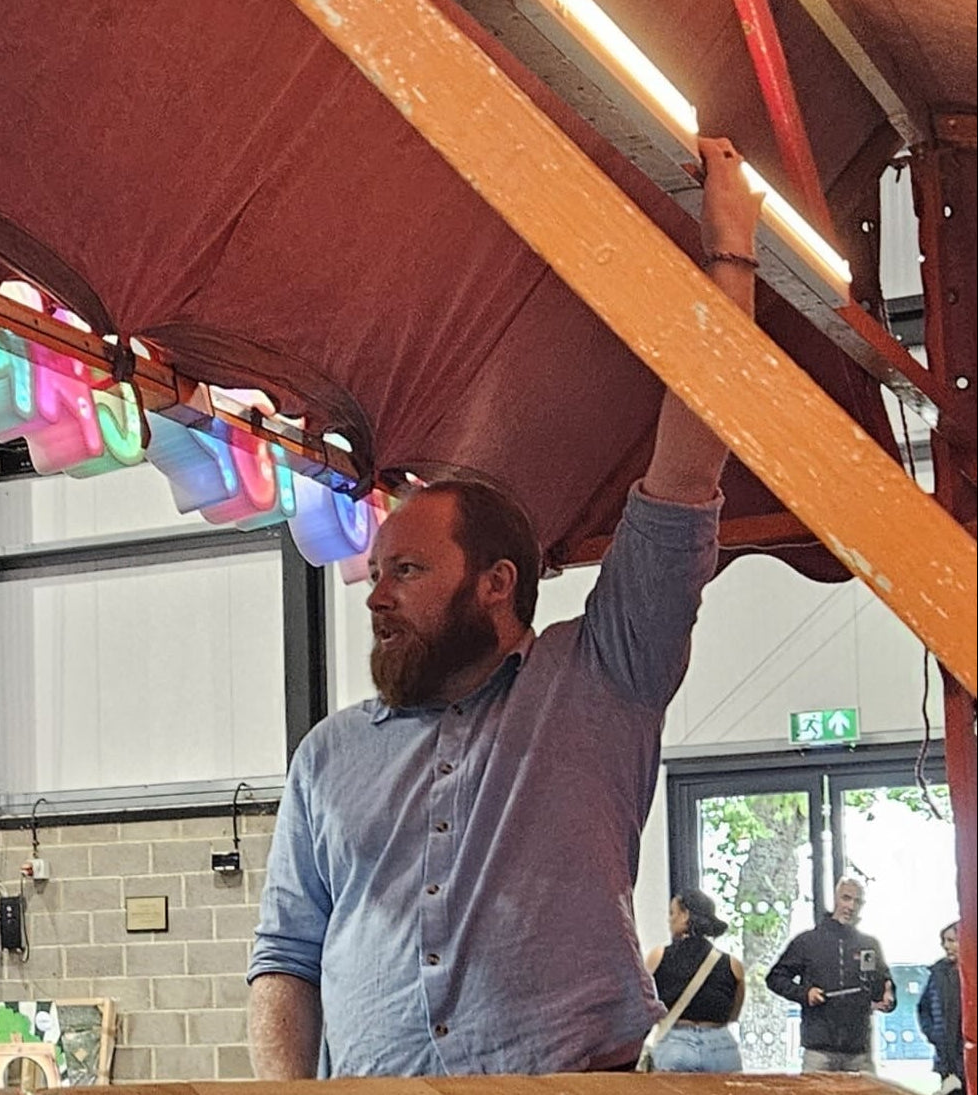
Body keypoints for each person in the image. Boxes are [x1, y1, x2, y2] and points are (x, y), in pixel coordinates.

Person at [247, 136, 764, 1078]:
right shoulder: (328, 756)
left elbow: (687, 466)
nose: (374, 592)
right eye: (376, 572)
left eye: (405, 570)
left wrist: (730, 254)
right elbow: (285, 957)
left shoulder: (603, 676)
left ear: (497, 583)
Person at [765, 877, 896, 1074]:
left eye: (857, 901)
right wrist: (804, 993)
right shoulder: (808, 942)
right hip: (818, 1049)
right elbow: (775, 978)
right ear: (835, 899)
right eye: (846, 898)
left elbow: (881, 986)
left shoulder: (869, 945)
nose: (851, 906)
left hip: (859, 1049)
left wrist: (888, 998)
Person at [643, 889, 745, 1071]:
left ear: (685, 916)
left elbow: (642, 1002)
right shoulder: (733, 964)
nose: (669, 919)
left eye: (672, 913)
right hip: (721, 1047)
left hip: (675, 1046)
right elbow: (733, 1014)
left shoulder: (658, 956)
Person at [917, 920, 965, 1093]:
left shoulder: (971, 975)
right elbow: (924, 1009)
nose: (946, 946)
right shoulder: (937, 974)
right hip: (946, 1060)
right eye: (944, 941)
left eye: (952, 941)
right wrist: (934, 1035)